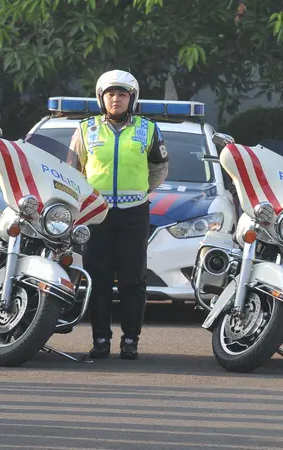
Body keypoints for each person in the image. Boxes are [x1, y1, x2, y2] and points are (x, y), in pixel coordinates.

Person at [69, 69, 169, 360]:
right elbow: (74, 170)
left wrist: (139, 191)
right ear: (101, 98)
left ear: (132, 98)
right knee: (98, 279)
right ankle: (100, 339)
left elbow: (159, 169)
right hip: (96, 215)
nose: (116, 99)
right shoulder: (85, 130)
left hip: (133, 214)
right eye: (110, 94)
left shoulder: (148, 129)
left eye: (122, 94)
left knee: (133, 280)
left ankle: (130, 340)